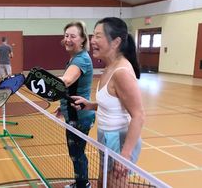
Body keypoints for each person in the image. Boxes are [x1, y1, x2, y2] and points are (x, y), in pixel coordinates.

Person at [71, 17, 145, 187]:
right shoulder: (109, 67)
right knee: (102, 183)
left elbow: (138, 116)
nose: (92, 40)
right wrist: (90, 105)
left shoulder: (121, 72)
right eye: (93, 35)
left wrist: (124, 156)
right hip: (107, 137)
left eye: (98, 36)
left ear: (116, 42)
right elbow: (115, 104)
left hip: (119, 140)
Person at [54, 21, 95, 188]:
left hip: (80, 116)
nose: (68, 39)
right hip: (72, 113)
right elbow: (72, 89)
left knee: (77, 154)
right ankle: (81, 182)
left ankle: (83, 184)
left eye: (73, 36)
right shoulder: (75, 58)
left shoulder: (81, 59)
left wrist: (43, 81)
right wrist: (63, 105)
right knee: (75, 153)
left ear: (83, 40)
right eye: (66, 35)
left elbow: (67, 80)